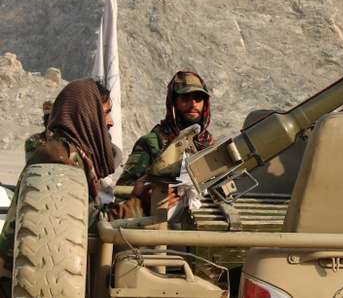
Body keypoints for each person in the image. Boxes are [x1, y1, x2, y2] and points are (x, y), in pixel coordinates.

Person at [0, 79, 121, 278]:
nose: (110, 122)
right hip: (25, 277)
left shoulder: (77, 156)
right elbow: (88, 221)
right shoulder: (59, 159)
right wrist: (139, 205)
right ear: (87, 114)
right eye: (105, 113)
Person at [117, 71, 213, 202]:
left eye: (198, 98)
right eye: (185, 98)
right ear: (173, 103)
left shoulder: (209, 145)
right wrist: (151, 193)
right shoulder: (152, 142)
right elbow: (122, 190)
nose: (193, 104)